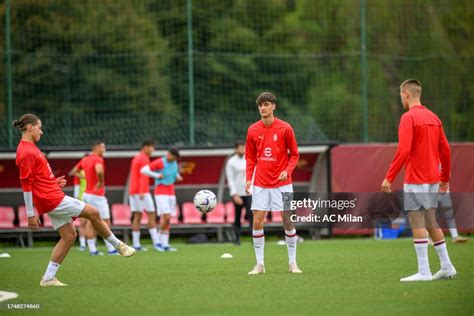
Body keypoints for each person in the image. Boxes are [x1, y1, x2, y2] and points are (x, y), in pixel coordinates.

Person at [13, 114, 135, 287]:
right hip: (52, 199)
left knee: (69, 236)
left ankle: (48, 278)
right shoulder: (26, 152)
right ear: (30, 127)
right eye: (39, 127)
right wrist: (30, 214)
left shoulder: (29, 149)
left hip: (50, 194)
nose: (42, 131)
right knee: (94, 212)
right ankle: (119, 246)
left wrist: (52, 182)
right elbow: (25, 184)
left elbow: (35, 179)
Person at [381, 79, 456, 282]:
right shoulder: (433, 116)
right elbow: (446, 150)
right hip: (432, 178)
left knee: (417, 221)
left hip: (416, 178)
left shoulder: (408, 117)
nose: (401, 100)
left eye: (401, 97)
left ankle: (424, 271)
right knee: (431, 221)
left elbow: (404, 149)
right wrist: (444, 179)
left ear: (406, 94)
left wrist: (389, 176)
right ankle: (447, 266)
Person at [245, 92, 301, 275]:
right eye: (260, 105)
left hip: (283, 184)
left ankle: (293, 263)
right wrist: (248, 178)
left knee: (287, 220)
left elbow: (294, 154)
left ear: (273, 106)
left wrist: (287, 171)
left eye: (266, 104)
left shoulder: (285, 128)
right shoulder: (252, 130)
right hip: (260, 183)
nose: (263, 107)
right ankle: (259, 264)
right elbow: (250, 157)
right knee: (257, 221)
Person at [77, 141, 117, 255]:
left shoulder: (85, 159)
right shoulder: (98, 159)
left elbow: (74, 171)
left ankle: (92, 250)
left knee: (91, 221)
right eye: (103, 147)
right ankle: (111, 249)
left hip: (86, 194)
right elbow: (99, 171)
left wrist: (86, 178)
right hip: (97, 195)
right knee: (106, 221)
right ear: (96, 147)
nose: (104, 150)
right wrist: (100, 182)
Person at [141, 147, 182, 252]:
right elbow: (144, 170)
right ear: (168, 154)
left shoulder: (174, 163)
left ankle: (165, 244)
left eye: (174, 157)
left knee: (168, 219)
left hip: (171, 192)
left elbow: (173, 173)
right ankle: (158, 241)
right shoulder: (160, 161)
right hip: (160, 192)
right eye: (169, 154)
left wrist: (177, 176)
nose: (171, 157)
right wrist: (157, 175)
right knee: (166, 217)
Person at [128, 139, 159, 251]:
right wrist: (142, 191)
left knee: (137, 216)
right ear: (146, 147)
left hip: (133, 190)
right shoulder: (144, 158)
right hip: (142, 191)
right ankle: (156, 243)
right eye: (152, 147)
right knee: (151, 214)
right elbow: (143, 176)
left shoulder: (136, 157)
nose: (153, 150)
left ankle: (136, 244)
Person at [225, 141, 252, 245]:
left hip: (249, 193)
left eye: (244, 148)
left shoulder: (249, 159)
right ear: (236, 149)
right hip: (238, 194)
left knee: (251, 215)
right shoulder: (231, 162)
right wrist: (234, 194)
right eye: (240, 148)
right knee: (237, 216)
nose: (242, 150)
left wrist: (252, 190)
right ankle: (237, 239)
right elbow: (230, 179)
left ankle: (254, 238)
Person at [68, 157, 88, 251]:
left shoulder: (94, 170)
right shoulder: (79, 172)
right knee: (82, 223)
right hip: (82, 199)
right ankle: (83, 244)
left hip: (92, 198)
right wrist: (77, 200)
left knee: (92, 223)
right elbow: (76, 186)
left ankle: (92, 244)